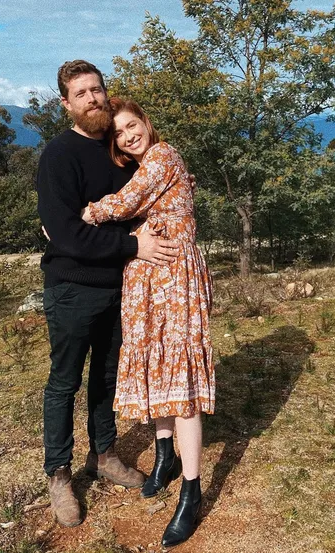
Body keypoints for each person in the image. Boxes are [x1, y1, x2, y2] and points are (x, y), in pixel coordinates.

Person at [34, 60, 179, 528]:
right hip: (72, 288)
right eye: (81, 93)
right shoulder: (59, 156)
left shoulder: (122, 152)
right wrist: (132, 244)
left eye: (97, 90)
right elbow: (67, 236)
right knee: (65, 382)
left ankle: (105, 454)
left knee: (108, 379)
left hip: (121, 287)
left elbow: (143, 201)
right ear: (67, 104)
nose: (93, 99)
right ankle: (58, 473)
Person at [81, 97, 213, 547]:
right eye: (118, 133)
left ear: (146, 123)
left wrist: (83, 215)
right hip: (144, 281)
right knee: (156, 372)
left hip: (174, 278)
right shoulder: (139, 168)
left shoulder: (162, 155)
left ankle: (191, 494)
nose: (128, 135)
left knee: (181, 381)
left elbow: (126, 202)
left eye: (132, 124)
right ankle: (164, 458)